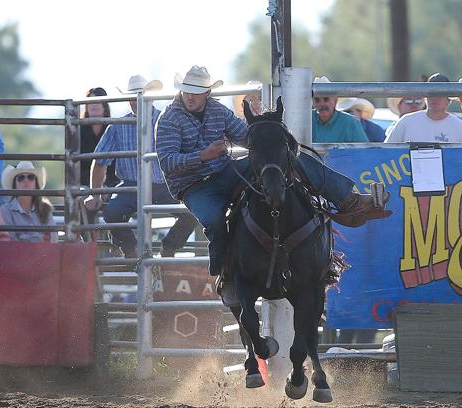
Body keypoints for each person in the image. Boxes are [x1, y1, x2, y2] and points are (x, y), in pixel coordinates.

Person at [155, 65, 388, 295]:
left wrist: (269, 136)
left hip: (225, 172)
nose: (190, 96)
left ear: (207, 93)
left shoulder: (217, 111)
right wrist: (204, 155)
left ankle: (348, 200)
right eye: (187, 91)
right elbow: (167, 162)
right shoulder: (169, 119)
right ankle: (224, 271)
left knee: (292, 160)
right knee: (215, 219)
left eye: (196, 92)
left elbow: (246, 136)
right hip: (194, 186)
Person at [85, 74, 198, 258]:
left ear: (150, 97)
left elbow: (185, 152)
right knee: (112, 212)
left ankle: (168, 247)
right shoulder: (117, 126)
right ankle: (133, 250)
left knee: (194, 210)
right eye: (133, 97)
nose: (136, 101)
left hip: (165, 184)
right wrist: (95, 193)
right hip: (132, 186)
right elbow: (99, 162)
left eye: (141, 96)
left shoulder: (168, 120)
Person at [385, 73, 462, 143]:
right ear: (425, 98)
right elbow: (386, 150)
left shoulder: (459, 127)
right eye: (431, 94)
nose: (435, 98)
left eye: (440, 94)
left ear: (449, 100)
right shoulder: (405, 122)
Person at [0, 161, 56, 242]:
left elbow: (53, 237)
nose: (26, 180)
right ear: (15, 184)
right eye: (21, 178)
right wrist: (38, 238)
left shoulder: (45, 208)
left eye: (31, 177)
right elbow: (10, 239)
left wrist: (23, 238)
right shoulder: (6, 210)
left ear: (36, 184)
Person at [79, 87, 118, 187]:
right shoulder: (78, 130)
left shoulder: (113, 129)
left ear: (105, 106)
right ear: (86, 106)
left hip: (111, 184)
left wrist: (106, 186)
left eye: (98, 101)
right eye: (91, 101)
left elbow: (115, 165)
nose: (94, 105)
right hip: (83, 184)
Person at [311, 76, 369, 143]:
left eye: (326, 99)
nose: (322, 104)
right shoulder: (306, 120)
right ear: (313, 103)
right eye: (317, 100)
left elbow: (364, 148)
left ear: (335, 101)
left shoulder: (351, 123)